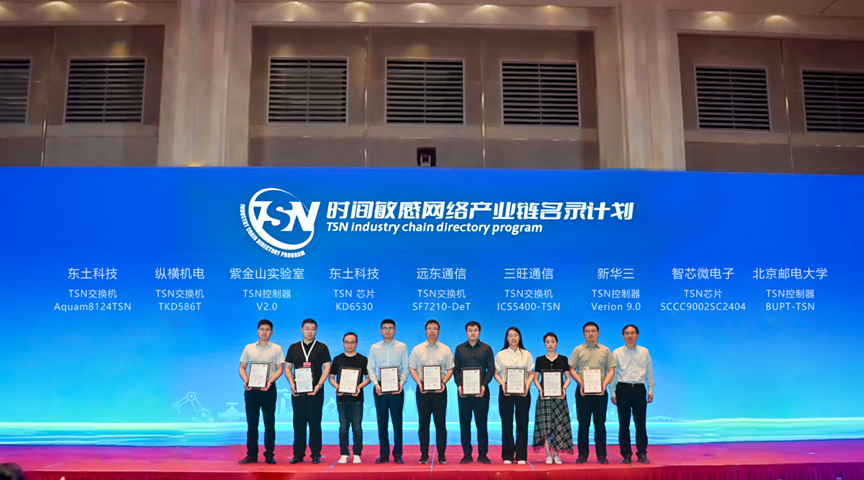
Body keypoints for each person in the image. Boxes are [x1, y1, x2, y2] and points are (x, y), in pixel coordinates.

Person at [284, 318, 332, 464]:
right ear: (302, 330)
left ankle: (316, 454)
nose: (310, 331)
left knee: (314, 424)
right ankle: (298, 454)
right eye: (307, 328)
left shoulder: (322, 347)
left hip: (315, 392)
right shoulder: (293, 347)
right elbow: (287, 368)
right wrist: (292, 384)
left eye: (313, 329)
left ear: (316, 330)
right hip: (298, 392)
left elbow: (327, 367)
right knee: (298, 424)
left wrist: (319, 385)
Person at [237, 319, 285, 465]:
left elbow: (280, 369)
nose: (264, 332)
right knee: (252, 425)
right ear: (257, 331)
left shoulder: (277, 348)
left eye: (267, 329)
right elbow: (242, 367)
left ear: (272, 332)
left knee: (269, 424)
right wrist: (246, 380)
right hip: (251, 390)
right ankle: (251, 455)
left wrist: (270, 382)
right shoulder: (249, 348)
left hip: (268, 389)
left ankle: (269, 455)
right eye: (262, 329)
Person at [569, 321, 616, 464]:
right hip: (583, 392)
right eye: (587, 331)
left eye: (593, 331)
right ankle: (582, 455)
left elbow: (611, 370)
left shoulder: (605, 350)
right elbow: (572, 369)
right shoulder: (578, 350)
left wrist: (604, 385)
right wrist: (581, 383)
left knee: (600, 425)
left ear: (598, 333)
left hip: (600, 393)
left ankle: (601, 455)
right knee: (583, 425)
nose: (590, 333)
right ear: (583, 334)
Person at [409, 319, 454, 464]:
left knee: (440, 424)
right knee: (423, 424)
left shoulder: (446, 349)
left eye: (435, 328)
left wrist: (443, 382)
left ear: (439, 331)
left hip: (440, 391)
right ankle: (424, 455)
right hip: (422, 390)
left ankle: (441, 455)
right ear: (425, 331)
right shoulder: (417, 349)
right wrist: (419, 383)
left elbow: (450, 369)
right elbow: (412, 368)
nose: (432, 331)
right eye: (429, 328)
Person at [367, 318, 410, 464]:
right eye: (385, 328)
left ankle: (398, 454)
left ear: (395, 330)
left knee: (397, 422)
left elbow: (405, 367)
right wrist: (375, 384)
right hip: (380, 388)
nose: (387, 330)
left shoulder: (402, 346)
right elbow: (370, 368)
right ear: (381, 331)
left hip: (396, 388)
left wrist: (401, 383)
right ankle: (384, 454)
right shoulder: (374, 347)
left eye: (390, 328)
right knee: (382, 423)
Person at [611, 324, 655, 464]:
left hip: (639, 389)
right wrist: (613, 392)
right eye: (627, 333)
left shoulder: (644, 351)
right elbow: (613, 374)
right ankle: (626, 454)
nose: (630, 335)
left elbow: (649, 372)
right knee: (624, 424)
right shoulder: (617, 352)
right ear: (623, 336)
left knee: (640, 424)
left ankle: (642, 454)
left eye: (632, 333)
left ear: (637, 335)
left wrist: (650, 389)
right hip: (622, 389)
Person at [453, 321, 495, 464]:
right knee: (465, 424)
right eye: (470, 330)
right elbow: (456, 369)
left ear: (479, 332)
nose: (472, 333)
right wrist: (459, 384)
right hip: (464, 393)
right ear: (466, 332)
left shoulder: (486, 348)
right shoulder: (459, 349)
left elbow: (491, 369)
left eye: (475, 330)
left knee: (481, 424)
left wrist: (484, 385)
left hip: (481, 392)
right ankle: (467, 454)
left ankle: (483, 454)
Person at [494, 326, 534, 465]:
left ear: (520, 337)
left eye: (515, 335)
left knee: (522, 423)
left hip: (523, 392)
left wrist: (527, 385)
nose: (513, 338)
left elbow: (531, 373)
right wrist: (503, 384)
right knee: (507, 424)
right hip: (506, 391)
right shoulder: (501, 354)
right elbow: (496, 374)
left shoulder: (526, 354)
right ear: (506, 338)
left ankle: (521, 455)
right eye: (510, 335)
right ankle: (508, 455)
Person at [329, 331, 370, 464]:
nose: (349, 344)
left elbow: (368, 378)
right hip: (342, 398)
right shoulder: (337, 359)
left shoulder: (363, 359)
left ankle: (357, 453)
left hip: (357, 398)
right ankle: (344, 453)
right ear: (343, 343)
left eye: (352, 342)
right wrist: (337, 387)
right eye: (347, 342)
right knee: (343, 427)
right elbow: (331, 377)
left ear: (357, 344)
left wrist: (359, 387)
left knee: (357, 427)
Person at [532, 332, 573, 464]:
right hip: (545, 397)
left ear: (557, 343)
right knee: (546, 427)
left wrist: (563, 389)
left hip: (559, 397)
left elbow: (568, 378)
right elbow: (535, 378)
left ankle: (556, 454)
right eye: (547, 342)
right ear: (544, 344)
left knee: (559, 426)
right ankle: (548, 454)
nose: (550, 344)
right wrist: (541, 390)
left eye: (552, 341)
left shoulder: (563, 359)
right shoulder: (540, 359)